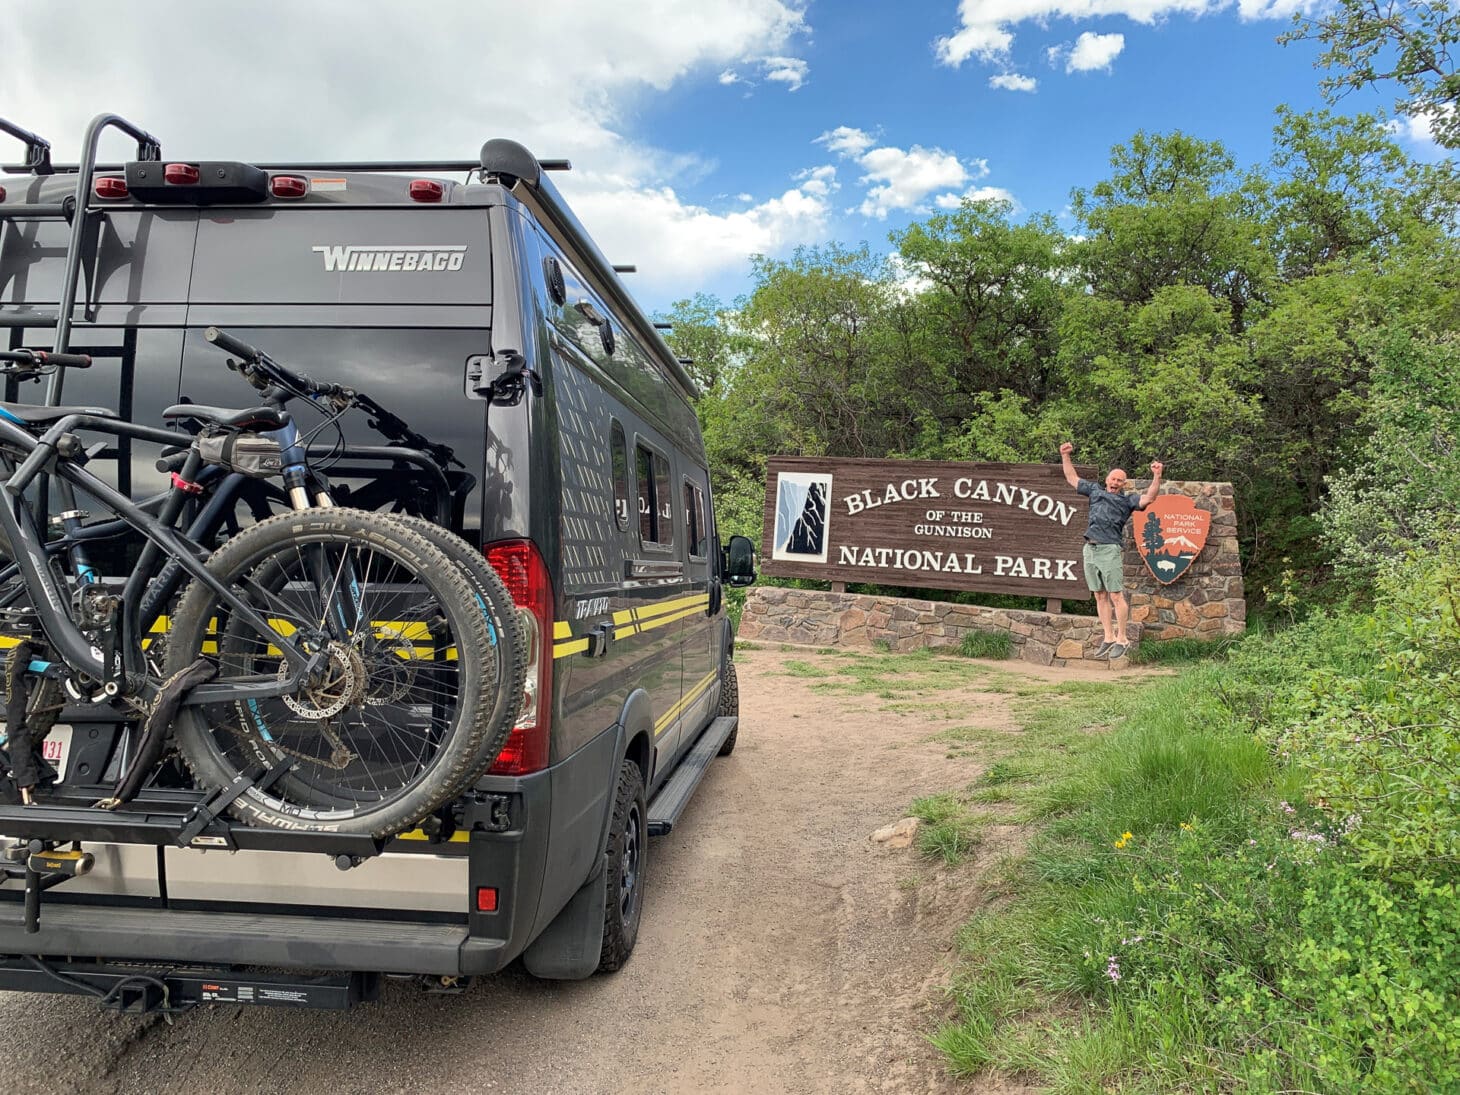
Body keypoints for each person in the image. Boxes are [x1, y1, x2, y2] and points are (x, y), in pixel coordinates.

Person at [1059, 442, 1163, 659]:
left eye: (1119, 480)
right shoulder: (1095, 491)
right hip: (1090, 548)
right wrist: (1065, 455)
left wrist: (1156, 476)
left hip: (1109, 549)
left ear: (1123, 484)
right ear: (1107, 480)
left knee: (1115, 594)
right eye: (1112, 479)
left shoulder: (1127, 501)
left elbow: (1149, 498)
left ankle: (1122, 638)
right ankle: (1108, 637)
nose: (1115, 482)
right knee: (1099, 594)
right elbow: (1072, 478)